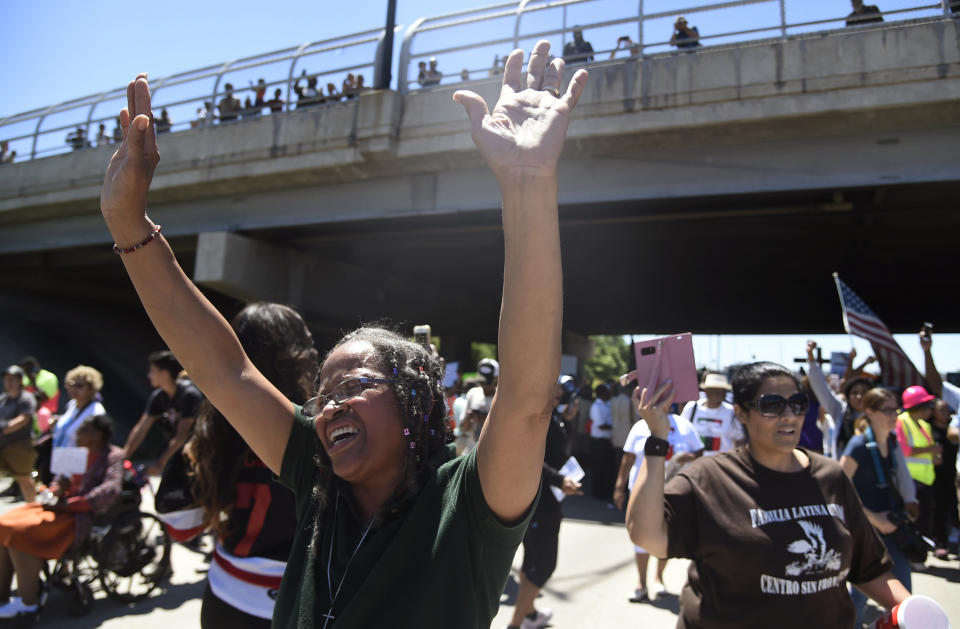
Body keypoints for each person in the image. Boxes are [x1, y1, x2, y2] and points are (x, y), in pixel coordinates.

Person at [98, 40, 587, 628]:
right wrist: (128, 222)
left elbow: (528, 402)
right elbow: (224, 368)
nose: (329, 407)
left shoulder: (468, 508)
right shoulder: (317, 477)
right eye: (324, 395)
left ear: (417, 404)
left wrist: (528, 182)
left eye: (353, 384)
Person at [626, 362, 911, 628]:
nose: (789, 416)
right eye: (772, 406)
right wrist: (657, 439)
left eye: (797, 404)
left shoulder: (831, 476)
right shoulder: (709, 478)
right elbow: (647, 535)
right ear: (741, 413)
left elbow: (870, 569)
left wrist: (912, 610)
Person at [160, 303, 316, 628]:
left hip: (225, 597)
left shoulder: (213, 432)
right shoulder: (322, 428)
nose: (314, 350)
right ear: (294, 355)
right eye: (306, 341)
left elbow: (179, 523)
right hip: (297, 603)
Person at [0, 414, 123, 620]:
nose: (78, 434)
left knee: (20, 533)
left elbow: (111, 488)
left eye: (84, 430)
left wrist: (79, 501)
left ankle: (27, 602)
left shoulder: (112, 456)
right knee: (4, 523)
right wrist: (58, 489)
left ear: (97, 435)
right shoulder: (76, 454)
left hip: (80, 515)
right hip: (59, 507)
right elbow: (59, 479)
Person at [505, 377, 583, 629]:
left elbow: (557, 452)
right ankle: (516, 624)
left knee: (532, 560)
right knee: (545, 564)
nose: (559, 393)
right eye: (555, 387)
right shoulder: (538, 419)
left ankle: (529, 615)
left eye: (561, 389)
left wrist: (568, 421)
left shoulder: (553, 419)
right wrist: (561, 480)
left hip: (542, 499)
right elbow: (530, 460)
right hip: (539, 500)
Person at [840, 388, 919, 627]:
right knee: (861, 597)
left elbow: (902, 476)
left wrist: (910, 500)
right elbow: (838, 487)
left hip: (893, 529)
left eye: (896, 409)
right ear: (870, 412)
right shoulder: (858, 445)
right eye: (886, 410)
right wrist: (874, 519)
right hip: (867, 532)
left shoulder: (892, 440)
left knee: (903, 595)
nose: (894, 414)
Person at [614, 402, 702, 603]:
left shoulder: (684, 426)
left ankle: (658, 577)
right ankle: (641, 583)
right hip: (641, 495)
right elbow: (627, 459)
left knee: (667, 536)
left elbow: (699, 454)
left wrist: (688, 458)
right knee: (640, 539)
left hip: (671, 492)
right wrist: (619, 486)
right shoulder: (639, 427)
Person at [123, 351, 203, 475]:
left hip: (200, 455)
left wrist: (161, 463)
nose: (149, 375)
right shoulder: (159, 396)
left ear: (165, 373)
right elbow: (141, 428)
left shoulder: (190, 395)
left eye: (152, 371)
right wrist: (123, 456)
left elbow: (182, 435)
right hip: (179, 453)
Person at [806, 340, 870, 458]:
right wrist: (811, 358)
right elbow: (821, 387)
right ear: (848, 396)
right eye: (855, 393)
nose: (859, 397)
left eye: (864, 393)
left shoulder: (877, 415)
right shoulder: (839, 410)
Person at [897, 385, 940, 542]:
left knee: (924, 519)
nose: (930, 409)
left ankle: (920, 551)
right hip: (909, 480)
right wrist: (931, 449)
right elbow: (905, 450)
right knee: (911, 519)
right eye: (927, 405)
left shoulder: (925, 425)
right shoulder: (901, 421)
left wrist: (934, 456)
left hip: (925, 479)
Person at [679, 372, 742, 456]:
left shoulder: (731, 412)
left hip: (721, 464)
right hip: (695, 464)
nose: (719, 393)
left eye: (722, 390)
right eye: (714, 389)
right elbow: (680, 433)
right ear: (706, 390)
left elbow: (739, 440)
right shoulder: (692, 408)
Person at [0, 367, 37, 503]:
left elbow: (23, 419)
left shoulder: (26, 398)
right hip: (2, 445)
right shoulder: (3, 399)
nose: (9, 382)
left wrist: (3, 429)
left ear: (20, 381)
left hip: (19, 446)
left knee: (24, 479)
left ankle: (33, 511)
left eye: (13, 379)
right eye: (7, 379)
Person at [930, 399, 958, 559]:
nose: (945, 413)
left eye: (947, 410)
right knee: (939, 511)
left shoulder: (953, 428)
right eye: (941, 410)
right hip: (934, 477)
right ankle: (940, 544)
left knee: (954, 510)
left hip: (952, 476)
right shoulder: (929, 428)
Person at [588, 383, 617, 502]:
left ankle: (604, 493)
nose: (609, 393)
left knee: (606, 468)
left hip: (607, 441)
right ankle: (596, 493)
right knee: (598, 468)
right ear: (602, 393)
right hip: (598, 442)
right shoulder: (596, 406)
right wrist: (617, 427)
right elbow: (600, 426)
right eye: (607, 391)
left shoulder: (608, 404)